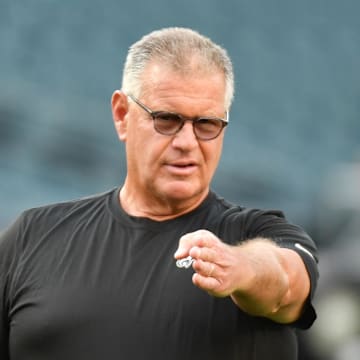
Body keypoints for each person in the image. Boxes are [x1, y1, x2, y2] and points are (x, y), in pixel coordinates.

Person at [0, 27, 318, 360]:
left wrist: (241, 267)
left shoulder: (256, 234)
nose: (186, 142)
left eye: (206, 124)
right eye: (166, 120)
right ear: (122, 115)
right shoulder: (31, 237)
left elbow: (285, 282)